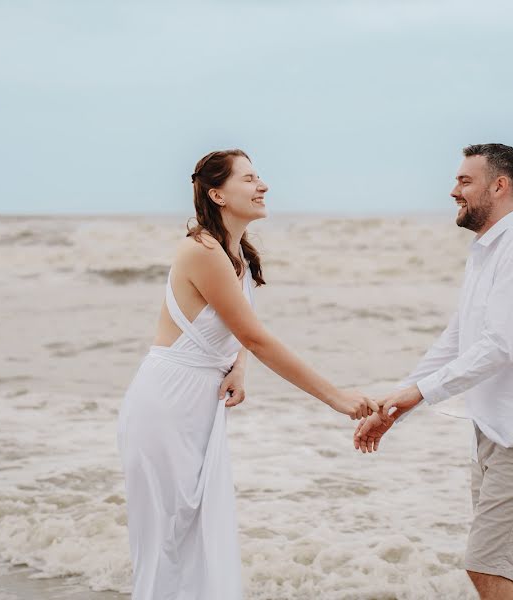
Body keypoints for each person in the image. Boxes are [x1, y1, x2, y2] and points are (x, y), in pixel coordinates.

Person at [116, 148, 377, 600]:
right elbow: (256, 336)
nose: (264, 186)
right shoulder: (202, 250)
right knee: (164, 544)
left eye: (260, 177)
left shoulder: (234, 251)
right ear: (217, 194)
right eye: (250, 178)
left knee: (198, 539)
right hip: (166, 405)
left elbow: (237, 332)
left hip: (200, 407)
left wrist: (237, 366)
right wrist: (334, 396)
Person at [354, 144, 513, 600]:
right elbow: (458, 338)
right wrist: (397, 403)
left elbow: (500, 347)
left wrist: (420, 394)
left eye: (464, 181)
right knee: (505, 570)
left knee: (488, 569)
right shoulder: (488, 249)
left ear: (500, 185)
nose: (453, 190)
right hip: (494, 431)